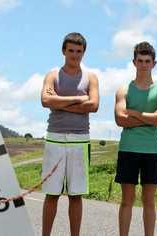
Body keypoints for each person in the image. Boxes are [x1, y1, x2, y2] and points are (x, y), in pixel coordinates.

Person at [41, 32, 99, 236]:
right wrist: (78, 99)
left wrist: (60, 102)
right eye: (71, 50)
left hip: (80, 140)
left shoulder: (90, 76)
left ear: (84, 52)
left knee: (76, 195)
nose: (75, 55)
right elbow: (46, 101)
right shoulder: (53, 74)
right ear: (63, 51)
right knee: (52, 193)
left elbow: (94, 105)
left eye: (79, 51)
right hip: (55, 137)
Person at [114, 41, 157, 236]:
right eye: (140, 61)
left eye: (148, 61)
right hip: (128, 149)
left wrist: (135, 114)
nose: (144, 64)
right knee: (126, 200)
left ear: (154, 63)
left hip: (152, 151)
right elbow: (120, 119)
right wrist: (149, 119)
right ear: (134, 62)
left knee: (149, 201)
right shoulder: (124, 90)